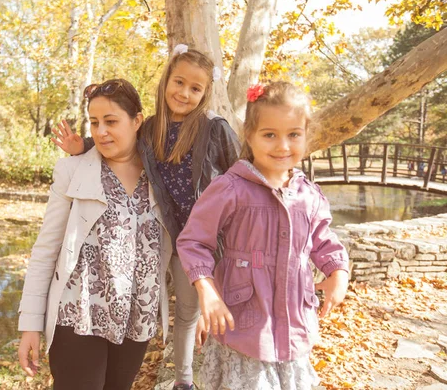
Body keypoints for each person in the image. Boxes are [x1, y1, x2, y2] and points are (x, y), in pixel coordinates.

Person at [52, 45, 241, 390]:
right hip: (163, 232)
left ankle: (186, 379)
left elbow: (240, 174)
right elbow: (116, 142)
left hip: (199, 241)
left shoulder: (214, 128)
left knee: (190, 310)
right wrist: (83, 149)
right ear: (166, 80)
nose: (184, 93)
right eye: (178, 82)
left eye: (195, 88)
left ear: (205, 92)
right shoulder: (151, 127)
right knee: (155, 298)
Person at [176, 81, 350, 389]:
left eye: (293, 134)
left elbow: (323, 239)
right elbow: (193, 241)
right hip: (244, 328)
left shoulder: (309, 195)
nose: (283, 146)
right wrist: (207, 290)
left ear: (306, 135)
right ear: (250, 136)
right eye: (270, 135)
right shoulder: (230, 189)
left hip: (294, 330)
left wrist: (338, 271)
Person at [17, 79, 174, 390]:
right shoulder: (73, 171)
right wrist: (30, 326)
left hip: (136, 317)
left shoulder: (160, 176)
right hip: (79, 317)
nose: (100, 131)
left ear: (137, 121)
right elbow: (46, 250)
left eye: (111, 121)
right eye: (94, 122)